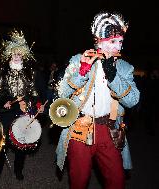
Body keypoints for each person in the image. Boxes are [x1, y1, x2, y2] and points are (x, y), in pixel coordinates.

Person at [55, 12, 140, 189]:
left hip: (109, 130)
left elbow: (133, 101)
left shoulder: (125, 68)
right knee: (79, 181)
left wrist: (113, 77)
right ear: (100, 40)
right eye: (113, 42)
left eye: (121, 42)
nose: (119, 47)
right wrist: (82, 72)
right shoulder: (79, 59)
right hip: (80, 127)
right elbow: (62, 93)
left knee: (117, 182)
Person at [0, 29, 44, 189]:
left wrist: (38, 104)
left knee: (22, 143)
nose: (17, 56)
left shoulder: (30, 73)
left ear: (23, 55)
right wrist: (5, 101)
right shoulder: (3, 72)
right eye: (14, 53)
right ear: (10, 54)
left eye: (19, 54)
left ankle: (18, 169)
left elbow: (34, 93)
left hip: (24, 111)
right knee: (2, 147)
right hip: (8, 112)